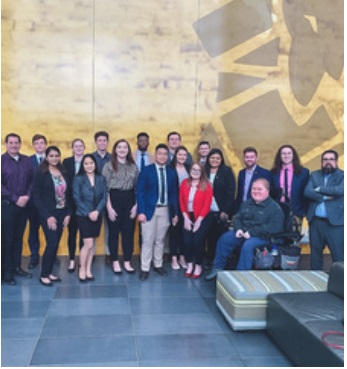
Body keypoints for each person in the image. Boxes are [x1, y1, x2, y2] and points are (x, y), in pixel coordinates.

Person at [205, 178, 284, 280]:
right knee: (225, 238)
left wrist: (252, 233)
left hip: (264, 236)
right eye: (254, 189)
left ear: (267, 191)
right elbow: (238, 218)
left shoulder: (274, 208)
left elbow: (275, 228)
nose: (256, 191)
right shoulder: (247, 203)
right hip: (244, 233)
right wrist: (238, 229)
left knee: (248, 245)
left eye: (259, 189)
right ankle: (217, 268)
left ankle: (241, 276)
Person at [137, 143, 179, 281]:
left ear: (168, 156)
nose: (162, 156)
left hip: (165, 210)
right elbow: (140, 192)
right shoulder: (147, 170)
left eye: (165, 154)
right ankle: (145, 267)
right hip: (149, 210)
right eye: (160, 154)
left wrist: (175, 213)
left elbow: (174, 194)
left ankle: (158, 264)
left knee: (160, 239)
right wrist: (141, 211)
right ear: (155, 155)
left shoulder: (172, 172)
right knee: (148, 239)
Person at [33, 146, 72, 286]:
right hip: (48, 214)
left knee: (55, 243)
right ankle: (44, 275)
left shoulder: (63, 171)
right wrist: (48, 216)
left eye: (57, 155)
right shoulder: (40, 172)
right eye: (51, 156)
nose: (54, 158)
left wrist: (68, 213)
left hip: (62, 212)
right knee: (52, 243)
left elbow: (68, 195)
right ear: (46, 157)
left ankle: (49, 272)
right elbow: (36, 197)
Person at [2, 133, 33, 285]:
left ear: (20, 144)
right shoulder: (1, 161)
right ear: (6, 144)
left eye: (16, 143)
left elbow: (32, 181)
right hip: (8, 206)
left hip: (24, 206)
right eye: (11, 143)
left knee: (19, 238)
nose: (14, 145)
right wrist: (15, 198)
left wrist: (26, 196)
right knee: (7, 239)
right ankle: (6, 273)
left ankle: (17, 267)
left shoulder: (26, 160)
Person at [102, 139, 138, 274]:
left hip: (130, 200)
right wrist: (109, 208)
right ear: (115, 150)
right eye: (119, 147)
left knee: (128, 233)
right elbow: (104, 188)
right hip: (114, 200)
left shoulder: (133, 166)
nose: (122, 149)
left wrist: (136, 206)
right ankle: (115, 261)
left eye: (125, 147)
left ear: (128, 150)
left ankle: (127, 261)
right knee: (113, 233)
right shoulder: (108, 166)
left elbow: (137, 188)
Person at [304, 150, 344, 270]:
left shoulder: (343, 176)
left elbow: (341, 190)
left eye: (331, 159)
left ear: (336, 162)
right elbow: (307, 192)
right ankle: (316, 285)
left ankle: (340, 285)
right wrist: (325, 196)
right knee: (315, 256)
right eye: (325, 159)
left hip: (335, 223)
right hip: (316, 222)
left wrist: (320, 189)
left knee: (338, 256)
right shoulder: (314, 175)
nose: (328, 162)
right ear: (321, 162)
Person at [73, 154, 107, 282]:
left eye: (91, 163)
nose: (89, 166)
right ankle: (81, 268)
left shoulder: (101, 178)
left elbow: (104, 196)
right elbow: (77, 198)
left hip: (97, 215)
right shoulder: (78, 179)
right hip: (83, 215)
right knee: (88, 243)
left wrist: (97, 211)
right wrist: (89, 213)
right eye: (86, 163)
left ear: (95, 164)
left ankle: (88, 269)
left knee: (92, 244)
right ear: (83, 165)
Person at [180, 162, 212, 278]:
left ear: (202, 172)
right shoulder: (184, 183)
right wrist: (186, 218)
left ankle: (198, 265)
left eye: (198, 170)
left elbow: (207, 205)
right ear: (190, 170)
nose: (195, 172)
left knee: (197, 241)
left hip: (203, 217)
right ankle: (189, 264)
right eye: (193, 169)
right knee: (187, 241)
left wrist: (199, 221)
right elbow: (182, 202)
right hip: (187, 216)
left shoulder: (207, 185)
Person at [204, 148, 236, 267]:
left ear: (221, 159)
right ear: (208, 158)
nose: (215, 160)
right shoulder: (204, 170)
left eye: (218, 158)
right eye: (212, 157)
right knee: (206, 236)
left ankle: (217, 262)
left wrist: (225, 211)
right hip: (205, 210)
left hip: (220, 210)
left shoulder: (226, 171)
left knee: (218, 237)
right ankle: (208, 259)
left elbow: (230, 192)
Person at [270, 144, 309, 232]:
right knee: (278, 238)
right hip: (278, 211)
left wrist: (304, 211)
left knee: (294, 240)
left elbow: (305, 193)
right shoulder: (273, 173)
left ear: (293, 155)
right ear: (279, 156)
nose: (286, 156)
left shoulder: (304, 172)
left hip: (296, 212)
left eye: (289, 153)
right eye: (283, 153)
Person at [63, 138, 85, 272]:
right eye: (75, 146)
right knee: (72, 234)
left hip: (85, 204)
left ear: (84, 148)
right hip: (70, 203)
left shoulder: (88, 161)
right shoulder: (66, 162)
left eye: (80, 146)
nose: (78, 148)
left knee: (84, 234)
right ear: (72, 148)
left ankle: (82, 260)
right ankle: (72, 260)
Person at [91, 131, 112, 265]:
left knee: (109, 227)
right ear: (96, 142)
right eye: (100, 140)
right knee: (92, 226)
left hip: (110, 196)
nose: (102, 143)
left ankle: (109, 253)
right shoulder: (91, 157)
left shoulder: (113, 157)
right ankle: (90, 253)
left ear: (107, 142)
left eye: (104, 140)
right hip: (94, 197)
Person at [27, 133, 47, 269]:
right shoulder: (28, 161)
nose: (39, 145)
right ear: (33, 146)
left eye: (42, 143)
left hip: (49, 204)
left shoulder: (53, 159)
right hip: (33, 203)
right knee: (33, 229)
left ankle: (50, 254)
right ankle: (34, 255)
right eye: (37, 143)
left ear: (46, 144)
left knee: (50, 230)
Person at [169, 145, 190, 269]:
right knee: (174, 233)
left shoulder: (189, 168)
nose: (182, 157)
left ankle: (183, 257)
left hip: (187, 206)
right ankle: (174, 258)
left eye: (184, 155)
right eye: (180, 154)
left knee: (185, 233)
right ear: (175, 155)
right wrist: (174, 211)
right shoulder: (170, 168)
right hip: (174, 205)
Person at [234, 146, 271, 213]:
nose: (249, 159)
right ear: (244, 158)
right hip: (242, 209)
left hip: (258, 210)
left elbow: (268, 194)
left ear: (256, 158)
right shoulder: (241, 173)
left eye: (252, 157)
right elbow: (240, 194)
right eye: (247, 157)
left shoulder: (265, 173)